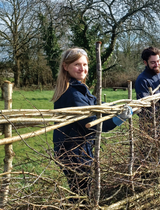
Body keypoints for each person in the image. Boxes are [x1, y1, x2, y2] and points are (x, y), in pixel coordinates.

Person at [51, 47, 132, 200]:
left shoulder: (79, 89)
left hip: (76, 148)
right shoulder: (72, 94)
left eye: (85, 65)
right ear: (65, 67)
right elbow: (95, 125)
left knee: (81, 190)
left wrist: (114, 107)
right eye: (77, 64)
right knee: (82, 193)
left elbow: (95, 103)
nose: (83, 68)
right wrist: (119, 118)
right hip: (74, 151)